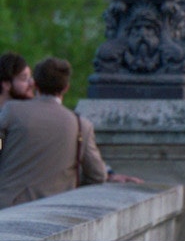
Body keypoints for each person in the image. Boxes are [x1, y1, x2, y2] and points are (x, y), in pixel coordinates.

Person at [0, 57, 139, 209]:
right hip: (53, 210)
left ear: (36, 84)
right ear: (66, 87)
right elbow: (97, 175)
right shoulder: (81, 125)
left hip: (9, 207)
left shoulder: (11, 111)